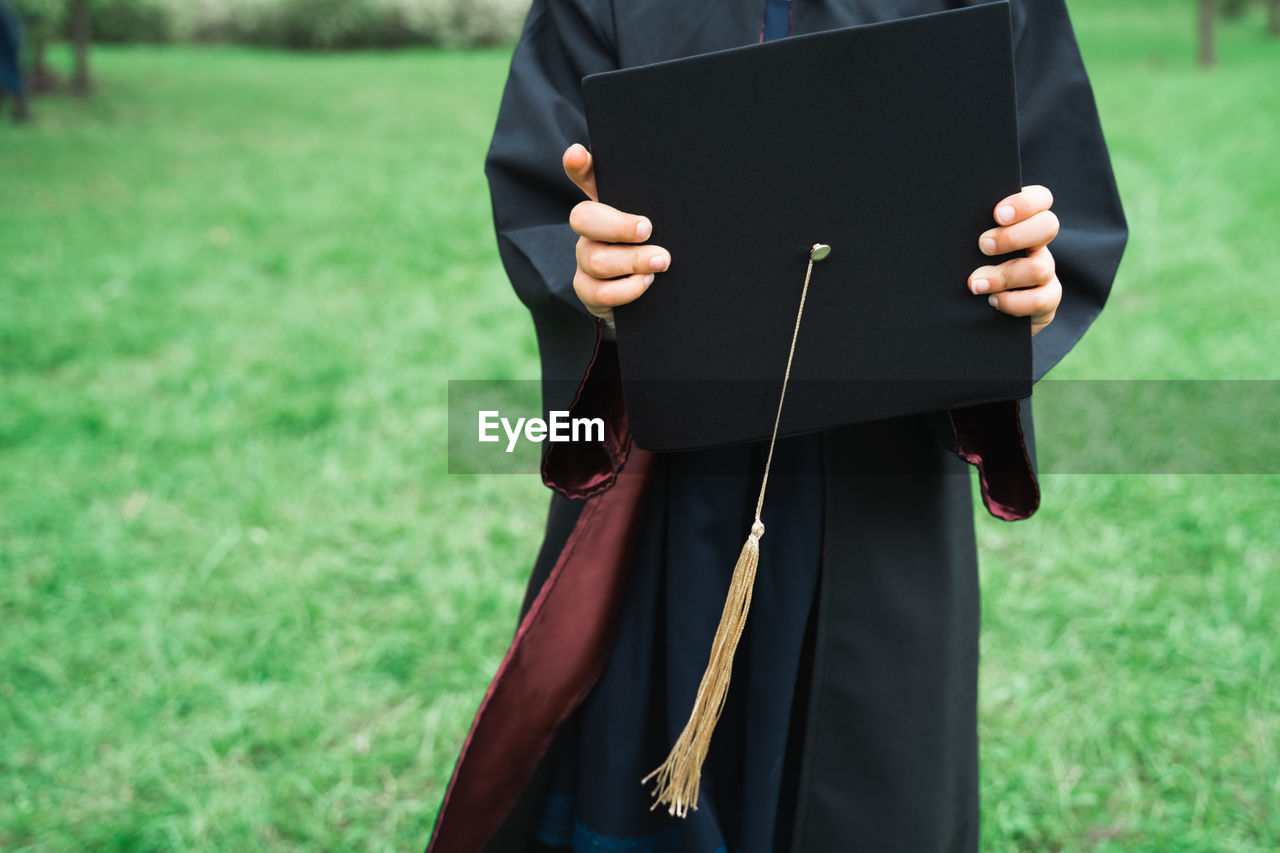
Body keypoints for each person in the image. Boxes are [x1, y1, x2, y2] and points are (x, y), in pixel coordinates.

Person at [428, 1, 1126, 851]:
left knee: (870, 789)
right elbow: (550, 186)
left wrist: (1031, 285)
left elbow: (1059, 198)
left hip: (885, 492)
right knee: (651, 768)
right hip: (674, 492)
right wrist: (591, 271)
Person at [0, 0, 30, 122]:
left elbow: (11, 29)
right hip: (6, 50)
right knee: (12, 78)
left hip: (6, 51)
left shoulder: (4, 7)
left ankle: (21, 111)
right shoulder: (4, 7)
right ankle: (21, 111)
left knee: (13, 78)